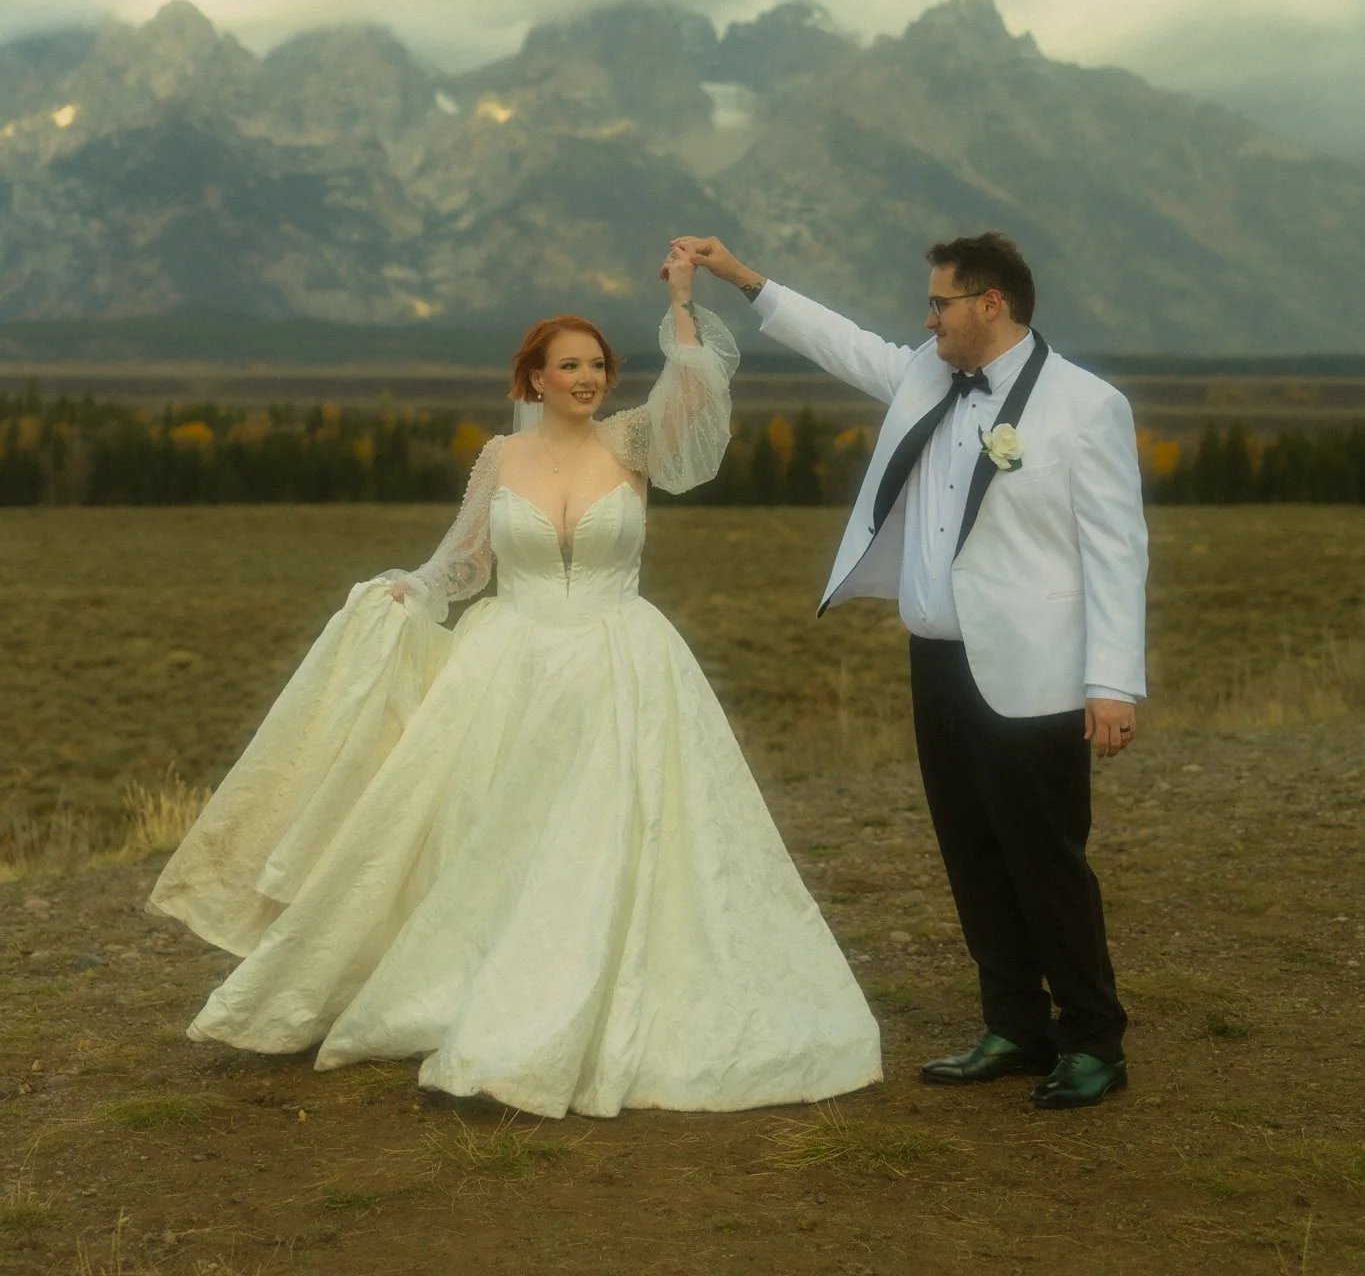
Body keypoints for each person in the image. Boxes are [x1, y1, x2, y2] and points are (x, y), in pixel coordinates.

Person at [149, 249, 881, 1119]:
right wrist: (406, 592)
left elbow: (693, 389)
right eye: (568, 365)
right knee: (502, 836)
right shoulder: (500, 457)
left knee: (603, 837)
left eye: (597, 365)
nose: (587, 378)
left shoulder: (632, 441)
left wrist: (684, 301)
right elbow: (461, 562)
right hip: (510, 666)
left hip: (621, 664)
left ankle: (560, 1010)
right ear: (532, 379)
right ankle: (477, 983)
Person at [670, 229, 1146, 1110]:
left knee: (1044, 859)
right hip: (937, 661)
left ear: (990, 304)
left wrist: (1111, 684)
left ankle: (1091, 1040)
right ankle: (1011, 1024)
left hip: (1036, 674)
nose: (926, 319)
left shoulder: (1086, 406)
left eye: (940, 303)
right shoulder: (926, 374)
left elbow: (1118, 553)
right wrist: (742, 279)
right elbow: (841, 341)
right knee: (969, 850)